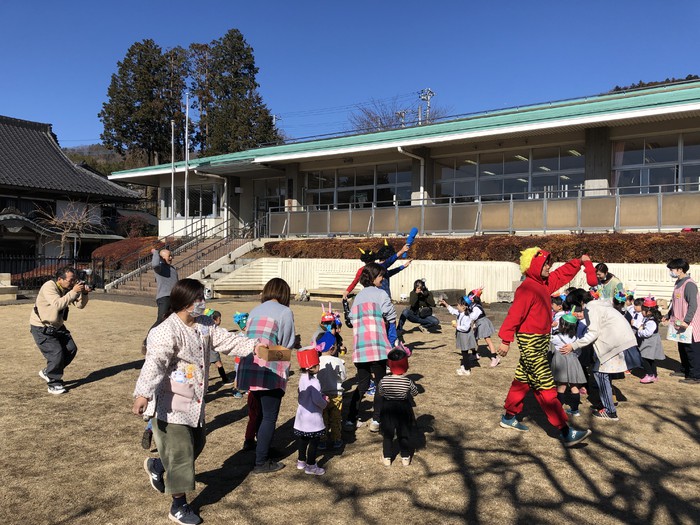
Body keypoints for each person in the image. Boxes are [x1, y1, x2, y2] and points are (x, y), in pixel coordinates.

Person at [132, 278, 263, 525]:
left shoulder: (204, 324)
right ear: (184, 303)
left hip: (194, 400)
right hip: (170, 404)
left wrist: (254, 346)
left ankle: (159, 465)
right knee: (181, 453)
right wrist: (143, 393)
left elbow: (227, 340)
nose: (203, 303)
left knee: (197, 444)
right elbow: (155, 363)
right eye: (198, 299)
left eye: (204, 297)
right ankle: (179, 506)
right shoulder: (165, 331)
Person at [496, 248, 592, 447]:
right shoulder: (527, 288)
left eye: (549, 262)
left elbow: (560, 275)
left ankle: (508, 417)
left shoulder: (542, 284)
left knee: (522, 380)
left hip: (540, 341)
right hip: (530, 342)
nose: (549, 266)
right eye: (545, 263)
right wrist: (505, 340)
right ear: (534, 265)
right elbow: (514, 315)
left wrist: (578, 262)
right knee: (545, 385)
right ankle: (564, 431)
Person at [237, 278, 296, 473]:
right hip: (270, 368)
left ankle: (263, 447)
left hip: (250, 366)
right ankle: (261, 461)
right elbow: (286, 344)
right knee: (270, 416)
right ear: (284, 294)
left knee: (261, 413)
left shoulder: (255, 310)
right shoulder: (285, 312)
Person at [561, 288, 638, 420]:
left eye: (574, 305)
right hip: (619, 342)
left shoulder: (591, 308)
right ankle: (607, 405)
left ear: (579, 301)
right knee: (599, 373)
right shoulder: (598, 305)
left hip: (616, 344)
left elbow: (593, 333)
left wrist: (573, 346)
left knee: (600, 373)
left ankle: (610, 411)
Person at [344, 263, 397, 432]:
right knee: (381, 384)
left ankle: (351, 419)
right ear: (374, 277)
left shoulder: (358, 297)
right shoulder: (381, 294)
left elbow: (352, 321)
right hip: (378, 347)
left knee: (362, 384)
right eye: (381, 276)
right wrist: (393, 341)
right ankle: (376, 420)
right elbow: (391, 317)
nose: (383, 278)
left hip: (361, 349)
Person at [30, 266, 90, 395]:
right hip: (41, 327)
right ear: (59, 279)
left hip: (57, 326)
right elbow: (57, 304)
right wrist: (74, 291)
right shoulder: (49, 286)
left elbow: (80, 305)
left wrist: (84, 293)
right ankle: (53, 383)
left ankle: (48, 371)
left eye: (74, 280)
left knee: (71, 349)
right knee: (56, 353)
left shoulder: (68, 289)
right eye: (70, 280)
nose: (73, 282)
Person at [664, 258, 700, 384]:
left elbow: (693, 305)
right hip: (679, 323)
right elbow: (675, 302)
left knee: (692, 350)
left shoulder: (689, 284)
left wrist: (687, 320)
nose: (670, 272)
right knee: (682, 347)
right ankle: (685, 369)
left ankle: (695, 375)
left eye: (672, 269)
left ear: (680, 270)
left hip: (689, 324)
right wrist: (668, 315)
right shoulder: (678, 282)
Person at [378, 356, 418, 467]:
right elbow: (415, 392)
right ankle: (405, 457)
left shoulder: (384, 380)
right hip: (403, 408)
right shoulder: (407, 381)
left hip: (388, 408)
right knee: (403, 433)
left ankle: (387, 457)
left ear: (390, 366)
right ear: (405, 366)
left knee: (388, 433)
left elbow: (381, 392)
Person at [293, 348, 328, 476]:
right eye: (318, 364)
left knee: (302, 440)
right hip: (312, 418)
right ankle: (311, 465)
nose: (320, 366)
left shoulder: (302, 378)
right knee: (314, 442)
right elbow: (317, 399)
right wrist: (325, 401)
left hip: (302, 417)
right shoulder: (314, 382)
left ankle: (301, 461)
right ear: (312, 367)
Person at [549, 314, 587, 417]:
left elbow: (548, 339)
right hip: (573, 361)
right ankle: (575, 410)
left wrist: (551, 327)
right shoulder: (576, 338)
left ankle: (558, 409)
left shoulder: (556, 337)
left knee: (561, 386)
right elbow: (579, 351)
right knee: (574, 386)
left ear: (563, 325)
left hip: (561, 363)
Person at [142, 248, 178, 354]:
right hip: (164, 297)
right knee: (161, 319)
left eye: (171, 256)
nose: (171, 258)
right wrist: (155, 253)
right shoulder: (160, 268)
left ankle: (169, 343)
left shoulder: (173, 269)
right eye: (169, 256)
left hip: (174, 298)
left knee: (174, 321)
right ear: (162, 257)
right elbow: (155, 264)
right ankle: (146, 341)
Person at [316, 331, 346, 450]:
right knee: (336, 418)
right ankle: (336, 440)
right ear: (333, 348)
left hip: (321, 395)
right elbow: (343, 377)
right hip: (336, 394)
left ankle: (322, 441)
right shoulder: (338, 362)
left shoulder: (316, 362)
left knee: (322, 418)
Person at [439, 295, 479, 376]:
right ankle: (465, 366)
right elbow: (453, 311)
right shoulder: (461, 313)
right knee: (464, 351)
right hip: (462, 335)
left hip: (465, 335)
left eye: (458, 304)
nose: (457, 306)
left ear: (463, 306)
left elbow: (466, 328)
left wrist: (457, 326)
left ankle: (467, 369)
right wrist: (446, 304)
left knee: (465, 353)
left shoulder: (466, 316)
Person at [635, 297, 665, 384]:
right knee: (650, 359)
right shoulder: (650, 319)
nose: (642, 312)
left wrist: (640, 331)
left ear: (649, 311)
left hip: (650, 342)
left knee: (645, 358)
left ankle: (650, 374)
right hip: (650, 342)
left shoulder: (651, 322)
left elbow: (647, 333)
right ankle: (654, 375)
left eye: (643, 311)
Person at [467, 288, 500, 366]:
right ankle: (475, 354)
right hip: (478, 323)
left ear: (473, 298)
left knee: (487, 340)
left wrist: (465, 316)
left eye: (470, 297)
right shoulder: (473, 306)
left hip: (483, 323)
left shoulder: (476, 307)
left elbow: (473, 316)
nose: (468, 299)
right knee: (474, 339)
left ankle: (495, 357)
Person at [207, 310, 234, 387]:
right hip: (212, 349)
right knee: (219, 364)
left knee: (207, 365)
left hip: (207, 349)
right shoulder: (214, 328)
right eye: (220, 319)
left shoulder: (208, 326)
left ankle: (204, 380)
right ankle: (225, 379)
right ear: (216, 319)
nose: (221, 321)